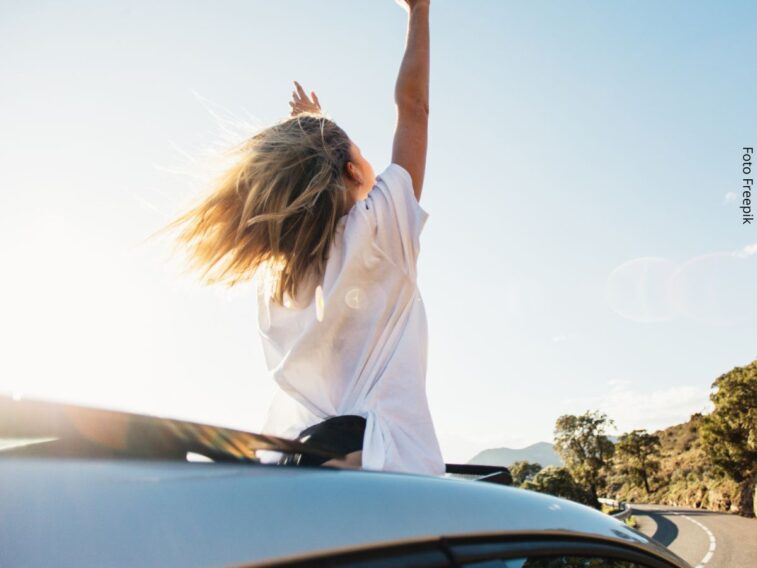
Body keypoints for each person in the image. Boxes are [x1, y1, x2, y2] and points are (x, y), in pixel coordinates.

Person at [157, 0, 443, 475]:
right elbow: (413, 109)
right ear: (353, 169)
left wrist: (316, 132)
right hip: (387, 466)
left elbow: (333, 199)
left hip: (307, 466)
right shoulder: (381, 233)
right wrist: (419, 10)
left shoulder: (281, 276)